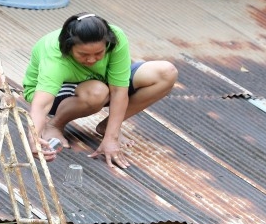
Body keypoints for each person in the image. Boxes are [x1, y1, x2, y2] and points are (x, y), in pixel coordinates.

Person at [22, 12, 178, 169]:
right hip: (58, 92)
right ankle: (55, 125)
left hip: (100, 82)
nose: (91, 60)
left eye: (99, 54)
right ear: (69, 48)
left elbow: (118, 91)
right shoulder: (55, 55)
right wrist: (34, 136)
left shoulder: (115, 38)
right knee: (97, 91)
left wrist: (112, 136)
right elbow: (42, 104)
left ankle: (107, 126)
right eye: (83, 55)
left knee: (166, 72)